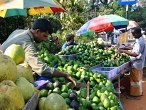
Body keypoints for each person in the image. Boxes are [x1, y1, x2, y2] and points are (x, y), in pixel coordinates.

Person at [1, 18, 76, 86]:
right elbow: (41, 69)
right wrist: (65, 74)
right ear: (38, 31)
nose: (45, 39)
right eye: (44, 36)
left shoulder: (18, 31)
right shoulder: (27, 43)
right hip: (4, 74)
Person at [118, 27, 146, 97]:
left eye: (133, 34)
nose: (133, 35)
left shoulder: (140, 42)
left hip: (137, 63)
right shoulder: (140, 39)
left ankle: (135, 94)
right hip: (138, 63)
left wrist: (123, 51)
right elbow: (134, 48)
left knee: (135, 80)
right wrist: (124, 48)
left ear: (137, 33)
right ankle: (138, 92)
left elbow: (135, 53)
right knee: (137, 79)